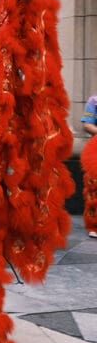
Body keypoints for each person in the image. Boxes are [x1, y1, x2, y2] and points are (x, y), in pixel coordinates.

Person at [81, 93, 97, 238]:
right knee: (94, 187)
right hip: (96, 148)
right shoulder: (94, 100)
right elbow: (87, 124)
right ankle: (94, 225)